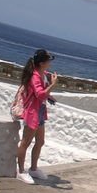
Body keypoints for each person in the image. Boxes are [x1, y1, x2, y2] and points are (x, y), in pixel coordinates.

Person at [15, 49, 59, 183]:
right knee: (26, 142)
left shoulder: (43, 73)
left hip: (40, 110)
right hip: (32, 112)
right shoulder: (35, 76)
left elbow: (43, 94)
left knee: (40, 141)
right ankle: (21, 171)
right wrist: (53, 85)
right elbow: (39, 94)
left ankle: (33, 168)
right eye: (48, 60)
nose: (50, 63)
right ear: (41, 63)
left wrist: (50, 96)